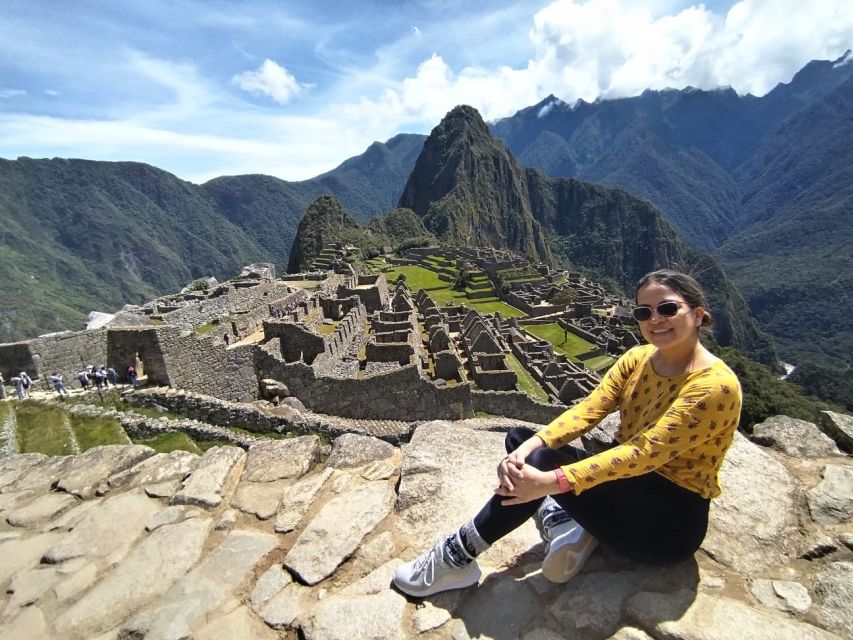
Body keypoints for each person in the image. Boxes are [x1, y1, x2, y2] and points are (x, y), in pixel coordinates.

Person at [393, 269, 743, 597]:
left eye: (668, 309)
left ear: (697, 315)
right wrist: (533, 443)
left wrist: (552, 483)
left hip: (664, 525)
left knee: (542, 469)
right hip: (626, 488)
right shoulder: (639, 358)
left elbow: (643, 452)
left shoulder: (714, 386)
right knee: (522, 443)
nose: (655, 320)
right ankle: (566, 522)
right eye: (643, 312)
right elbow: (590, 409)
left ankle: (457, 555)